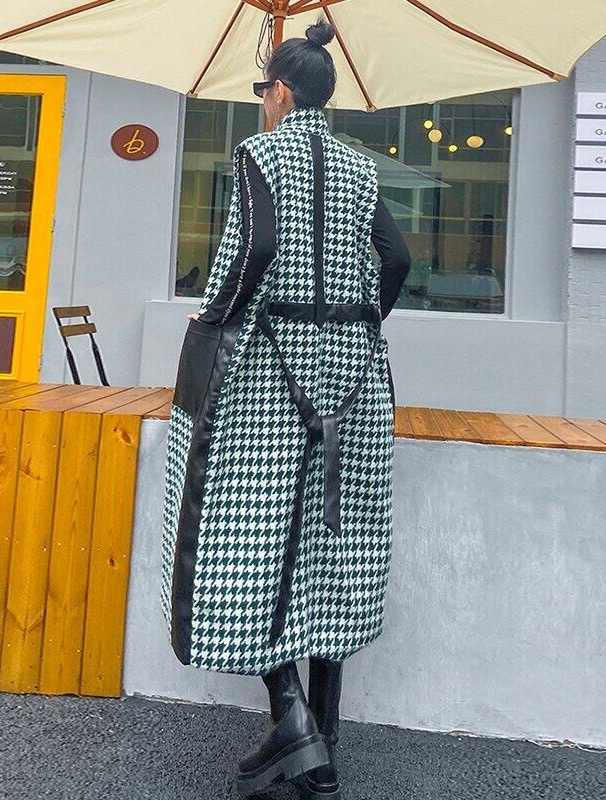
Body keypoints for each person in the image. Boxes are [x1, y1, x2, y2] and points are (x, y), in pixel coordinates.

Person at [160, 16, 411, 799]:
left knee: (247, 529)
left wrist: (215, 314)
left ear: (279, 92)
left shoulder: (259, 153)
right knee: (334, 538)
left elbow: (256, 249)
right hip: (354, 374)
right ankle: (320, 740)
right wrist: (360, 321)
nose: (260, 103)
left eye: (260, 91)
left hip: (272, 371)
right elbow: (398, 259)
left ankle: (293, 724)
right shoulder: (362, 166)